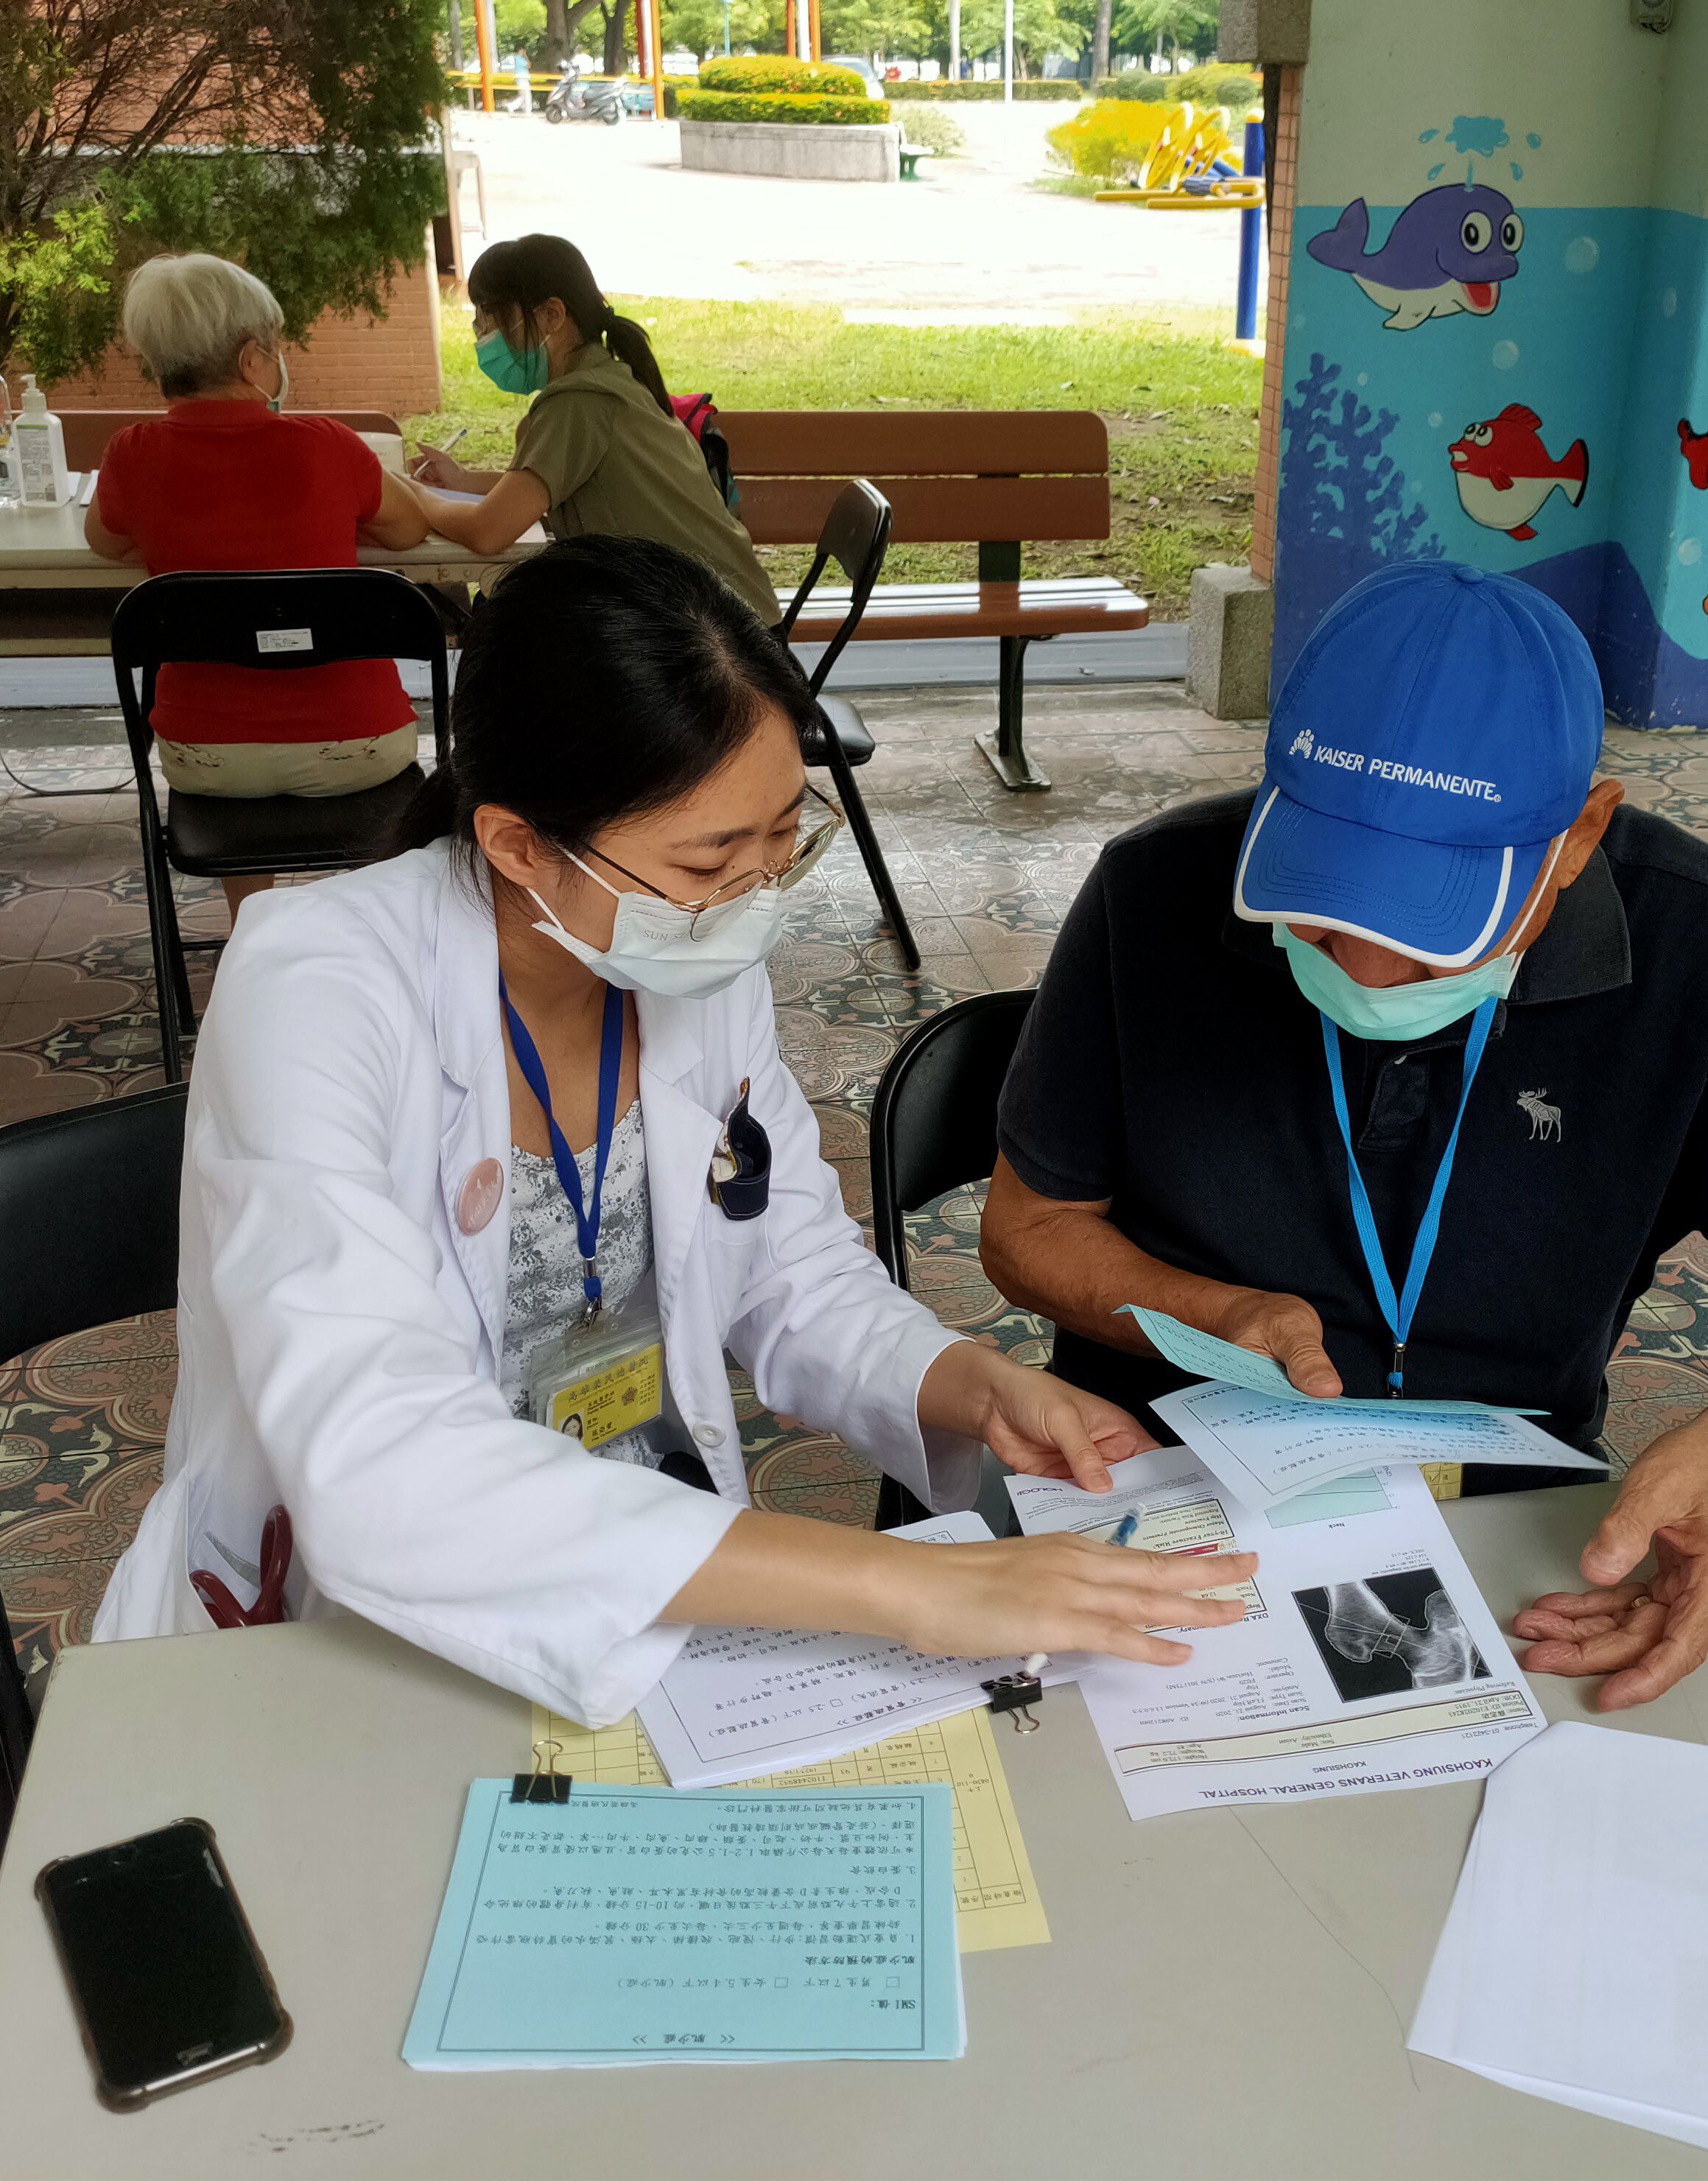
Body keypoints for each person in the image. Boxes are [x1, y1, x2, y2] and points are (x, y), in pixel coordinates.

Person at [92, 535, 1248, 1720]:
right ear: (517, 845)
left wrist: (969, 1384)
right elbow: (384, 1464)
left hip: (660, 1570)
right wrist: (912, 1587)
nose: (754, 895)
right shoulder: (317, 985)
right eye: (708, 858)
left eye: (783, 836)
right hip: (367, 1629)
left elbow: (785, 1263)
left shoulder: (687, 962)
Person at [977, 562, 1708, 1713]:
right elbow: (1028, 1231)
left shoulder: (1697, 941)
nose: (1360, 975)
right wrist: (1212, 1313)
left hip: (1514, 1507)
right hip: (1171, 1479)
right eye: (1320, 914)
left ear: (1577, 839)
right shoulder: (1156, 893)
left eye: (1428, 942)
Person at [85, 253, 436, 916]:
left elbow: (104, 541)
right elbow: (408, 530)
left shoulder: (132, 453)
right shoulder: (328, 444)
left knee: (238, 779)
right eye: (275, 349)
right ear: (252, 360)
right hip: (358, 746)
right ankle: (360, 933)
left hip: (209, 757)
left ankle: (252, 929)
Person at [408, 235, 780, 619]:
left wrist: (414, 499)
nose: (483, 337)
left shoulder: (580, 401)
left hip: (721, 643)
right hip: (728, 620)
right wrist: (463, 482)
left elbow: (488, 532)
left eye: (490, 319)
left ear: (552, 315)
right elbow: (543, 487)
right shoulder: (605, 376)